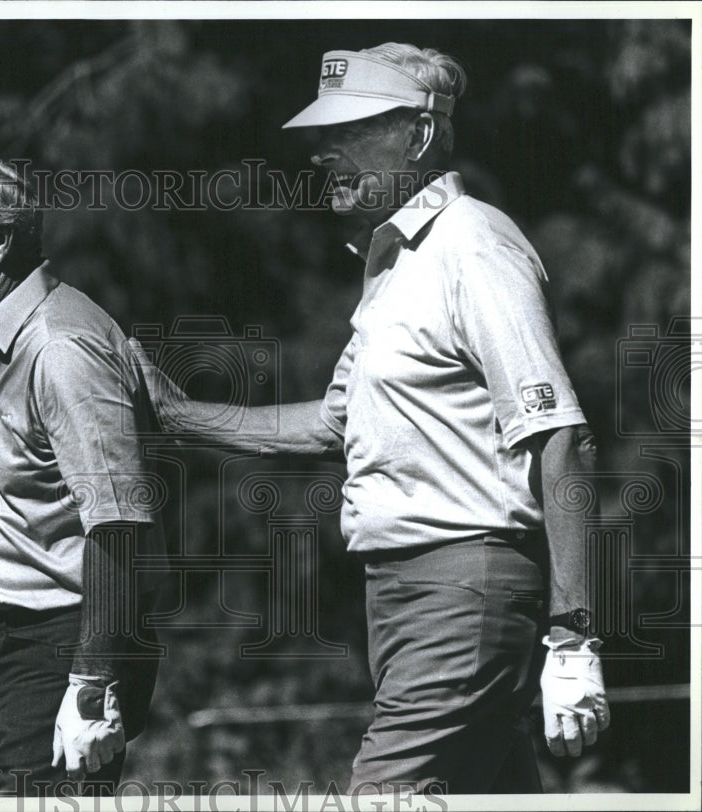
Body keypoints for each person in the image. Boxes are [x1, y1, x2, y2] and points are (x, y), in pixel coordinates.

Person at [132, 43, 608, 794]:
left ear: (417, 136)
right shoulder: (393, 264)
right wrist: (173, 413)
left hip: (463, 591)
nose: (323, 153)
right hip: (406, 597)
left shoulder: (473, 247)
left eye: (348, 131)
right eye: (323, 136)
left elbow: (563, 434)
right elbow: (331, 425)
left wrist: (574, 635)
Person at [0, 155, 165, 797]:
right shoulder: (5, 333)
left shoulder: (57, 347)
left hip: (65, 643)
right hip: (24, 641)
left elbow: (119, 522)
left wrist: (89, 685)